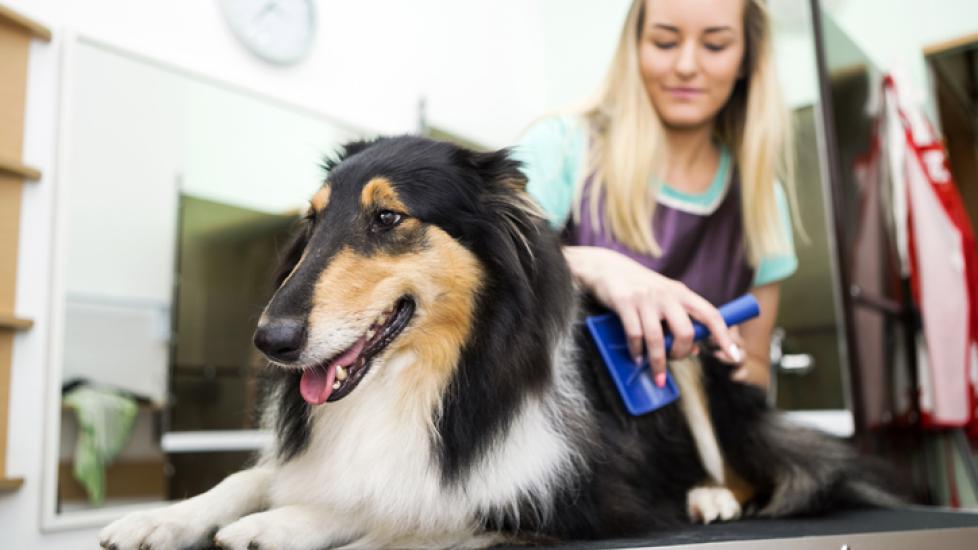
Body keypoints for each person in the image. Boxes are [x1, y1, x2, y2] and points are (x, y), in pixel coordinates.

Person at [516, 0, 799, 390]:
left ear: (746, 60)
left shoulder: (761, 196)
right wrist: (595, 267)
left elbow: (756, 370)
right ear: (635, 47)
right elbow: (492, 272)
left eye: (714, 46)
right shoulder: (563, 146)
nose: (685, 65)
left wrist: (728, 363)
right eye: (665, 42)